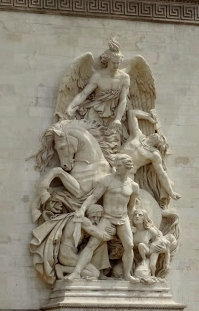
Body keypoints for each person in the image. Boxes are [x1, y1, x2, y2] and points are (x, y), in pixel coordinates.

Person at [65, 154, 140, 282]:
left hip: (123, 218)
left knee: (129, 246)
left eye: (119, 166)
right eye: (115, 165)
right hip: (108, 217)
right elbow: (94, 197)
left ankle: (127, 274)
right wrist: (82, 209)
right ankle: (76, 272)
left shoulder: (133, 186)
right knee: (92, 245)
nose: (116, 168)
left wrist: (131, 223)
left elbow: (131, 206)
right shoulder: (108, 180)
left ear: (127, 167)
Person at [66, 38, 130, 132]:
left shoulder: (125, 77)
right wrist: (70, 106)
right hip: (96, 111)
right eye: (113, 63)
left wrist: (118, 119)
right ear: (107, 61)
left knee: (112, 142)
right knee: (92, 136)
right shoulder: (98, 76)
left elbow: (123, 100)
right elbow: (84, 94)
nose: (116, 65)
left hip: (113, 114)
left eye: (118, 63)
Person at [120, 109, 180, 207]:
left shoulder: (154, 154)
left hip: (127, 174)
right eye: (159, 135)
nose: (158, 135)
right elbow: (132, 113)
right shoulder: (138, 135)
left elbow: (161, 174)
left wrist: (171, 193)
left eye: (161, 138)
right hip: (113, 161)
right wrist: (148, 117)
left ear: (160, 144)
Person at [55, 204, 114, 280]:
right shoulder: (83, 221)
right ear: (88, 214)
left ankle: (100, 272)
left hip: (72, 253)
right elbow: (101, 235)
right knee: (95, 273)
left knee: (101, 244)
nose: (96, 219)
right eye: (93, 216)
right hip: (66, 254)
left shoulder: (82, 222)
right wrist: (113, 235)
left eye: (99, 217)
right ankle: (62, 269)